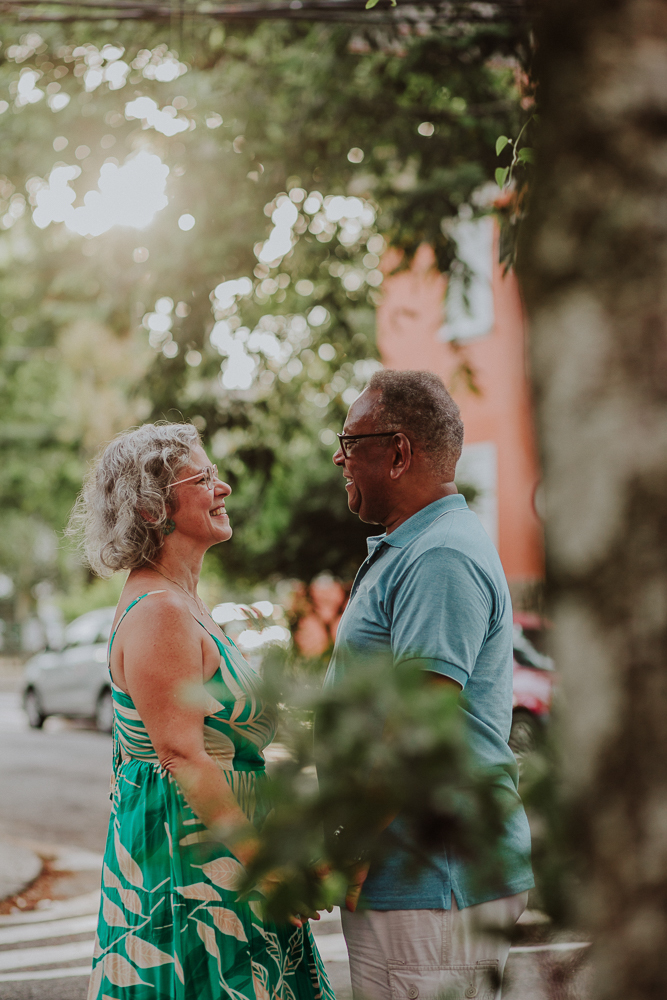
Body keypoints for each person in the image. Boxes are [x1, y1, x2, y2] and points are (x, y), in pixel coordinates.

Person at [71, 422, 333, 1000]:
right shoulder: (159, 611)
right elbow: (183, 756)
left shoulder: (182, 600)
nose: (224, 487)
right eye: (203, 478)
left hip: (222, 849)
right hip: (191, 865)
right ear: (151, 509)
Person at [325, 370, 534, 1000]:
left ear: (398, 453)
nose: (339, 457)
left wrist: (348, 848)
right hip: (413, 879)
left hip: (432, 879)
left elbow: (418, 725)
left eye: (350, 441)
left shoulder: (439, 555)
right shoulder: (419, 547)